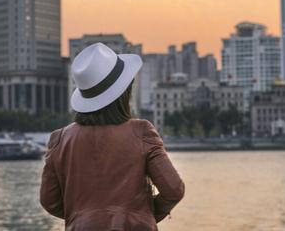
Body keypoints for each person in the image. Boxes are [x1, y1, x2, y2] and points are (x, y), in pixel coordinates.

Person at [40, 42, 185, 230]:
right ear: (125, 93)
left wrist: (84, 219)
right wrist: (142, 215)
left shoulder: (60, 139)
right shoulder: (141, 132)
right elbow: (173, 190)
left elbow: (49, 201)